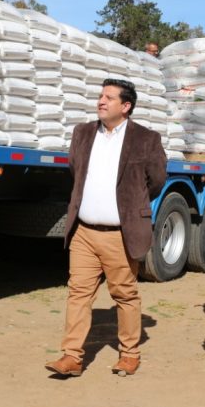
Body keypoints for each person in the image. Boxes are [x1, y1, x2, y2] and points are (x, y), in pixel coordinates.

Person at [45, 78, 167, 377]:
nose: (101, 101)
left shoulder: (146, 139)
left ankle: (129, 354)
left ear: (125, 107)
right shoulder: (83, 133)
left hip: (119, 235)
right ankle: (71, 356)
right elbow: (76, 170)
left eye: (109, 97)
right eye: (100, 96)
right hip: (84, 232)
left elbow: (156, 181)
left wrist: (128, 206)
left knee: (124, 295)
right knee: (78, 294)